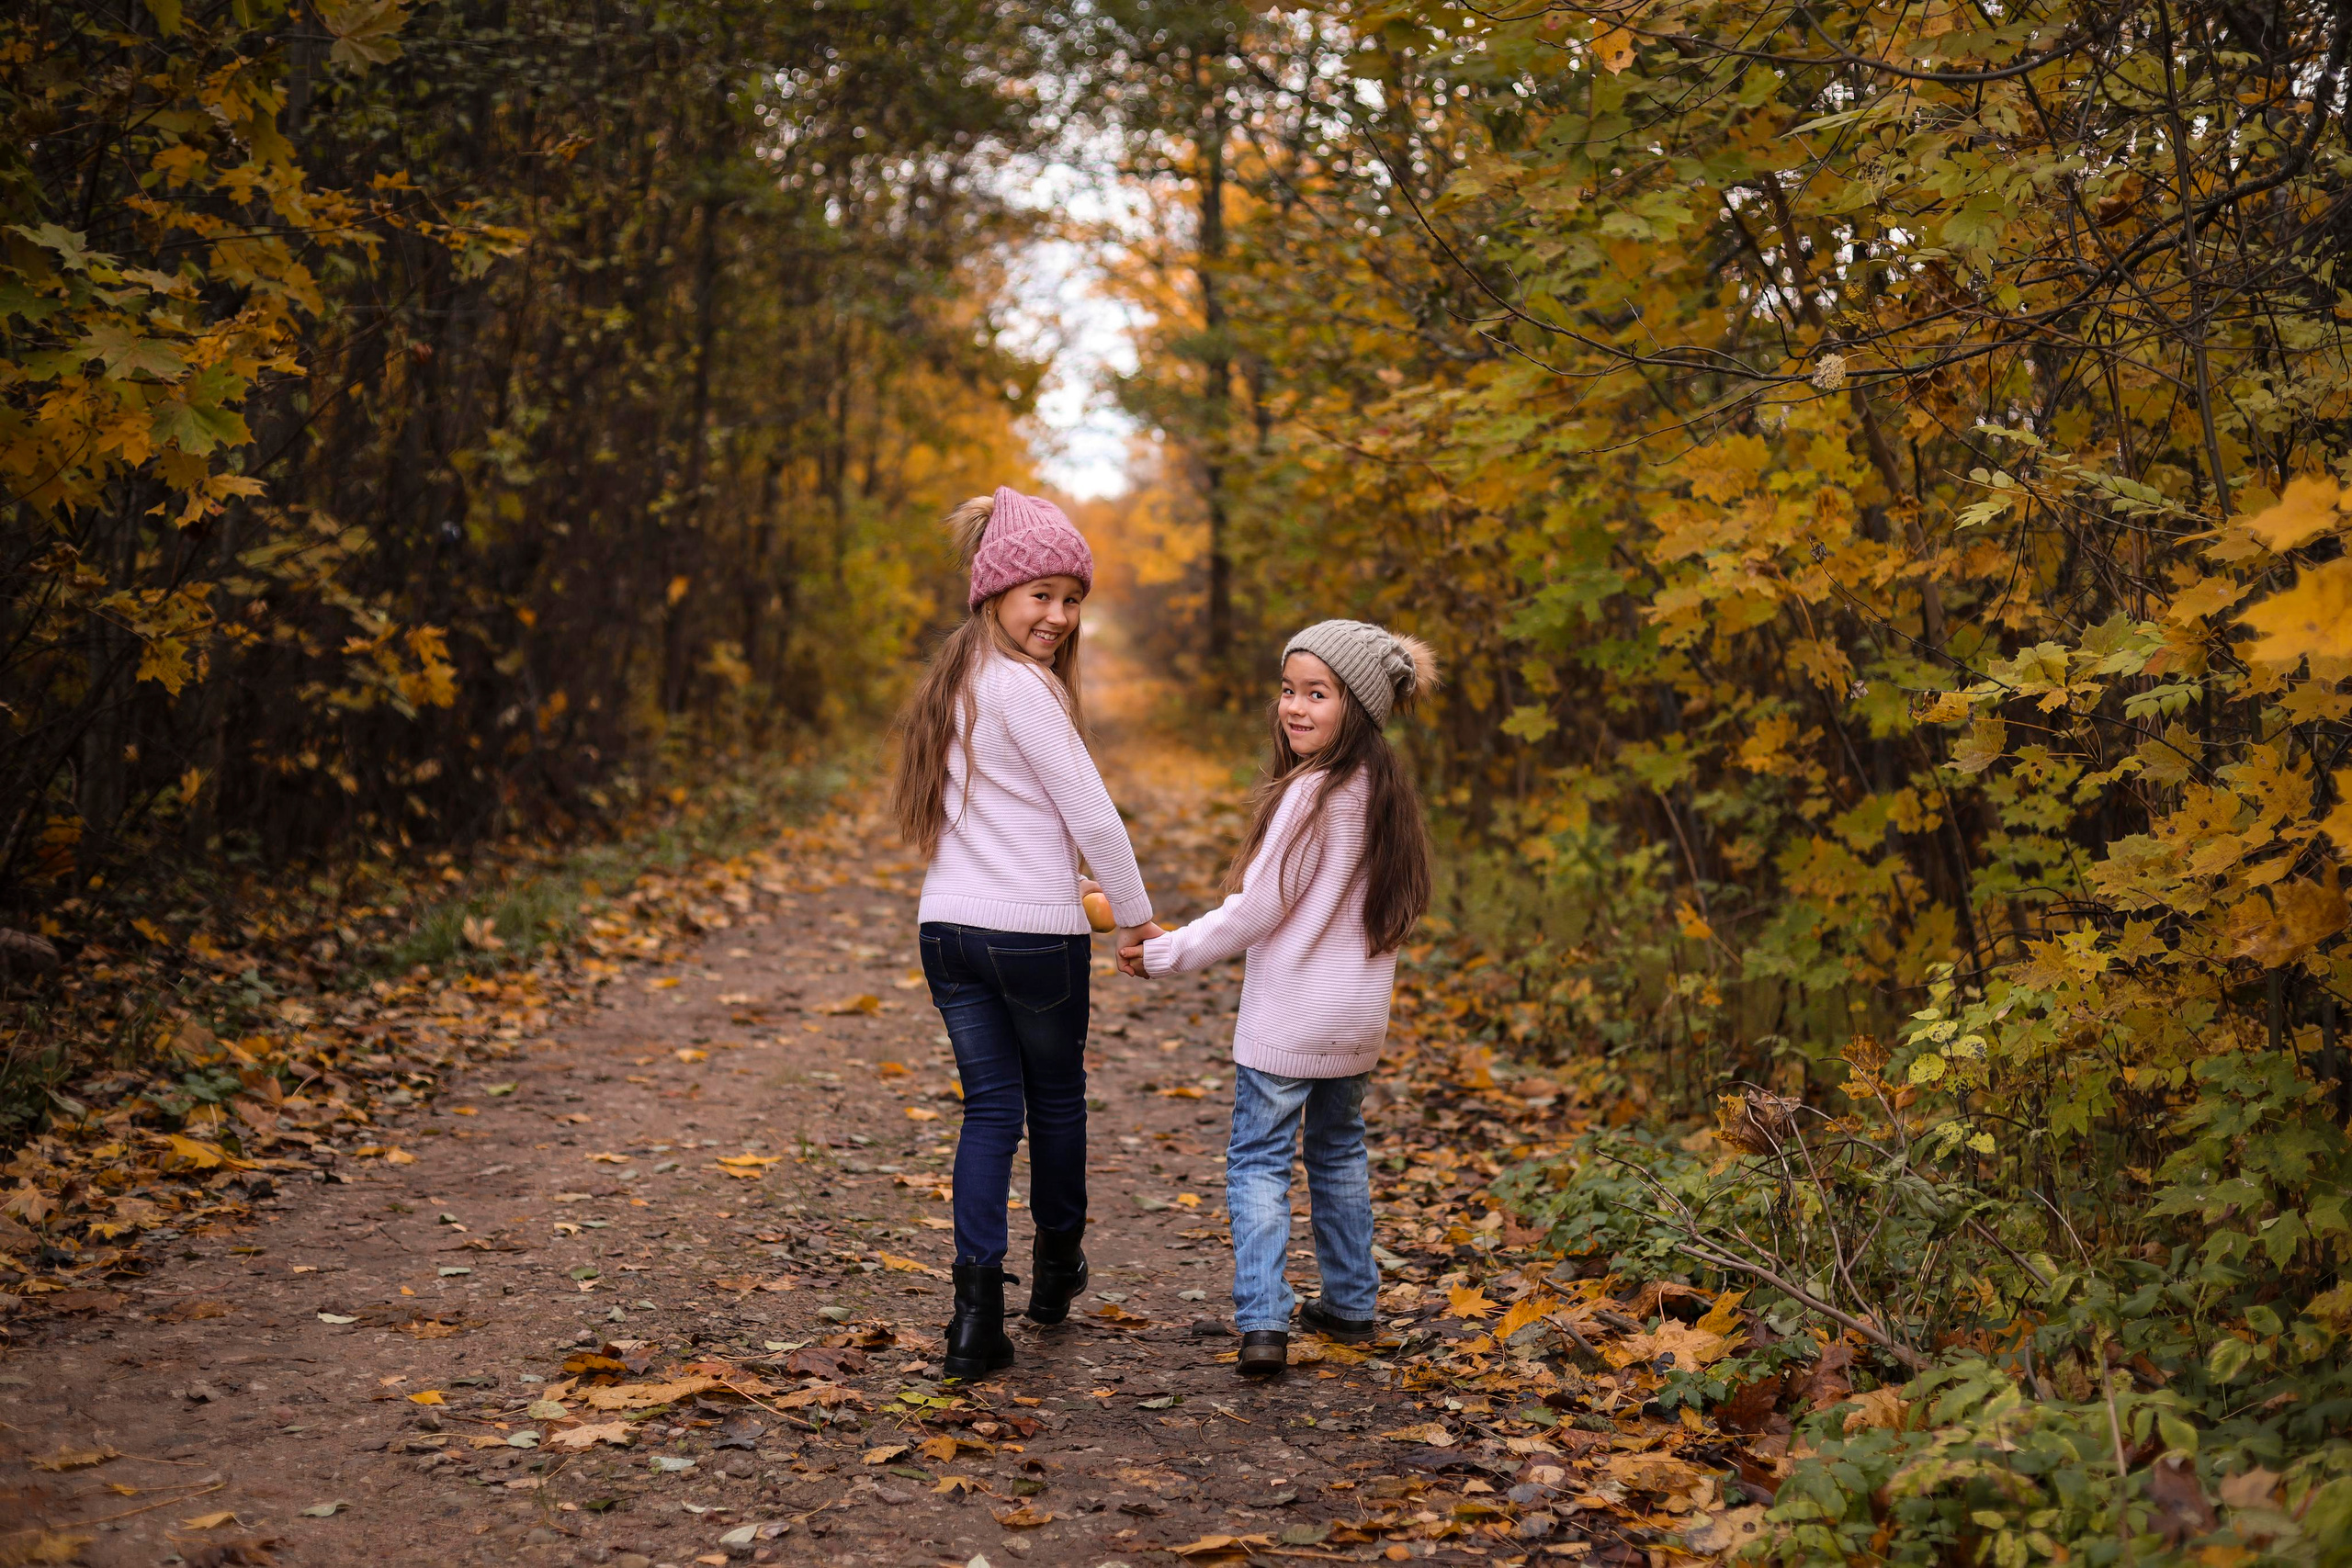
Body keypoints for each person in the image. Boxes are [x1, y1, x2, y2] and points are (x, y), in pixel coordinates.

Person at [888, 487, 1164, 1381]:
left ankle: (975, 1321)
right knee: (1052, 1103)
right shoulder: (1024, 687)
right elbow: (1094, 816)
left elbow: (1000, 815)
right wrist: (1136, 917)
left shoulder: (955, 680)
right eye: (1039, 594)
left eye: (1072, 597)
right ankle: (1052, 1278)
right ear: (994, 594)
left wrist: (1061, 877)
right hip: (1031, 941)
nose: (1058, 615)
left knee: (988, 1111)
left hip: (949, 930)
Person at [1122, 620, 1435, 1376]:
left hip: (1291, 1018)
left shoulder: (1310, 794)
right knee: (1337, 1149)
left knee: (1258, 1160)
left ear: (1356, 707)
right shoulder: (1382, 794)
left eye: (1317, 694)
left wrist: (1165, 951)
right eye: (1289, 689)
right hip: (1355, 1019)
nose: (1294, 706)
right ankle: (1353, 1304)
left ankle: (1264, 1321)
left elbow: (1256, 909)